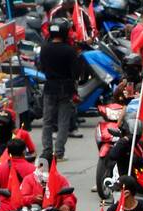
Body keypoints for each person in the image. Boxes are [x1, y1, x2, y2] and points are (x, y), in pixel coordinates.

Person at [37, 20, 83, 162]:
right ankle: (59, 152)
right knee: (63, 121)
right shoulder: (69, 50)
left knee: (47, 121)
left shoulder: (44, 48)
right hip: (66, 88)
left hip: (50, 87)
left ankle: (46, 152)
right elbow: (76, 73)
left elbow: (41, 67)